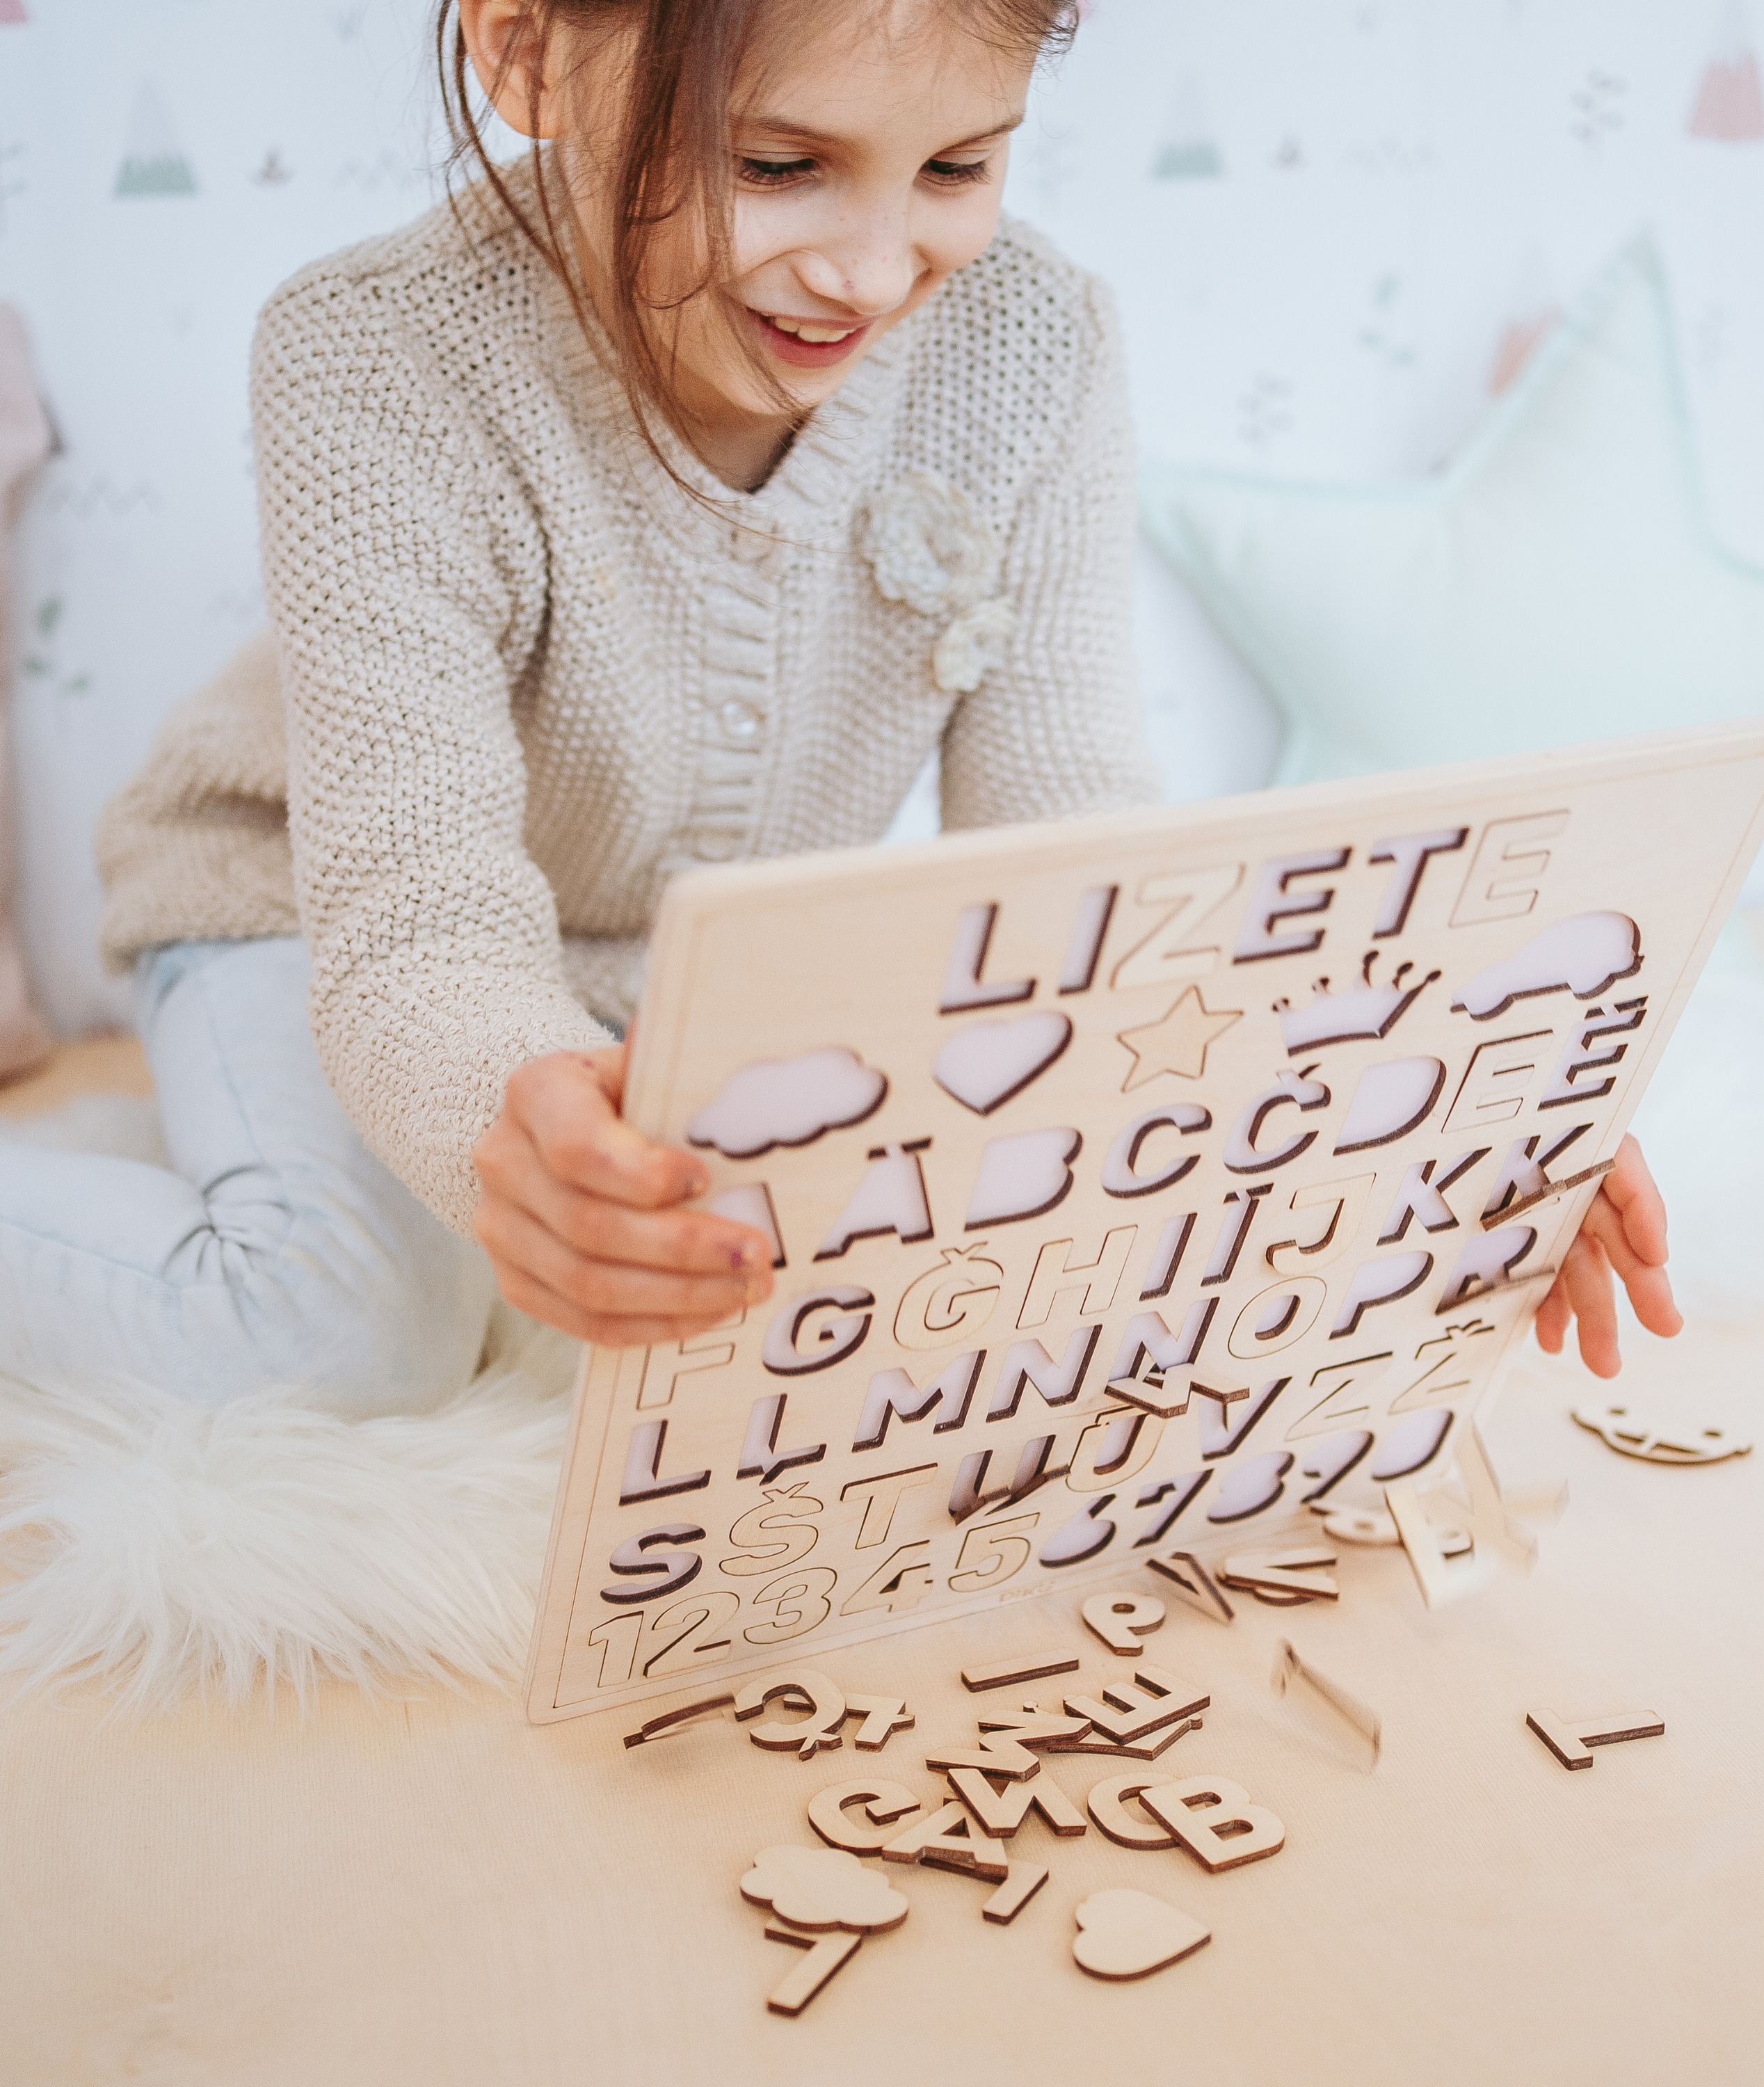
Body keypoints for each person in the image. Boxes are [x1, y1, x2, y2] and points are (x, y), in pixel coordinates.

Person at [0, 0, 1678, 1418]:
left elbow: (1075, 838)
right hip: (304, 914)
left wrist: (1394, 1105)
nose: (877, 271)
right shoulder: (373, 358)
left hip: (694, 980)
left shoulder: (1038, 341)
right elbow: (418, 925)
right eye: (778, 166)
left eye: (958, 166)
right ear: (523, 51)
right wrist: (521, 1119)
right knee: (352, 1332)